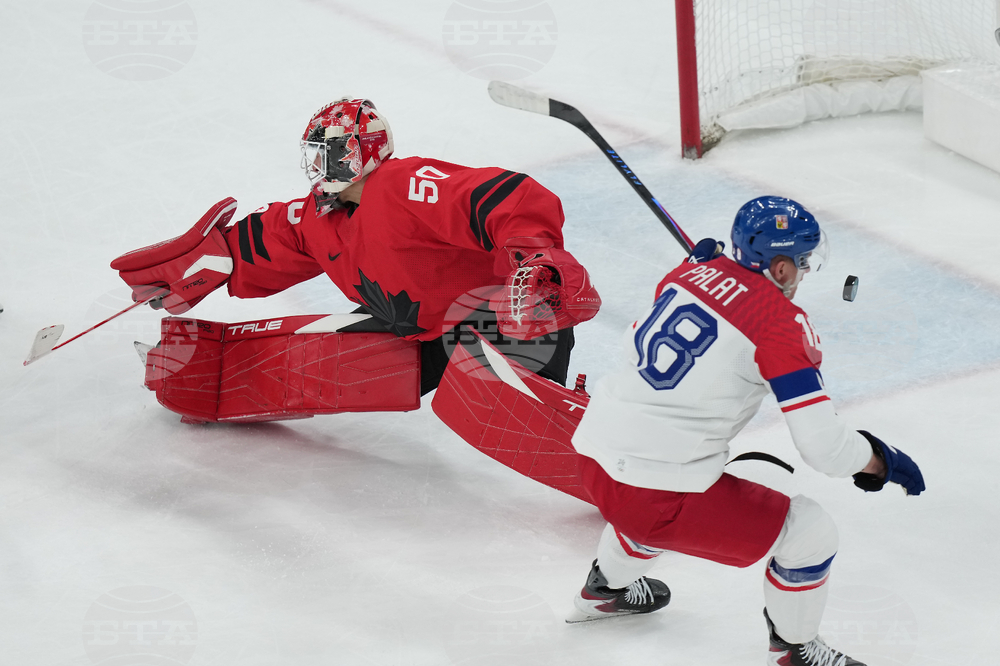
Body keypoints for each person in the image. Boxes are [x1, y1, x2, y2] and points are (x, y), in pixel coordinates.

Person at [565, 196, 925, 666]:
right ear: (778, 268)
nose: (806, 272)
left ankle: (603, 591)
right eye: (800, 262)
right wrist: (882, 460)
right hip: (653, 488)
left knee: (661, 489)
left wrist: (700, 267)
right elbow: (824, 448)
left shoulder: (684, 274)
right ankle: (796, 651)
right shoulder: (780, 324)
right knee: (810, 532)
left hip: (592, 457)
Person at [111, 97, 600, 397]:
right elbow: (269, 239)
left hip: (505, 321)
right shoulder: (318, 216)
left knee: (520, 389)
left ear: (362, 152)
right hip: (417, 335)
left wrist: (534, 257)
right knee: (319, 357)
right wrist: (207, 263)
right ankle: (216, 373)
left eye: (334, 154)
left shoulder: (404, 184)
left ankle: (578, 431)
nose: (322, 167)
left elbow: (506, 197)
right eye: (316, 155)